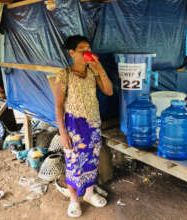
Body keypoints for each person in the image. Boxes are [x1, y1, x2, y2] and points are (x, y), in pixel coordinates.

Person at [55, 35, 113, 218]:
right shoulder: (63, 74)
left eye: (88, 48)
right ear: (72, 53)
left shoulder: (92, 73)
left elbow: (109, 91)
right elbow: (58, 106)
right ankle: (74, 199)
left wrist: (100, 68)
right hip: (73, 125)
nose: (87, 52)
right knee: (73, 163)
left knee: (92, 161)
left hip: (93, 123)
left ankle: (88, 193)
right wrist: (62, 133)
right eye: (82, 49)